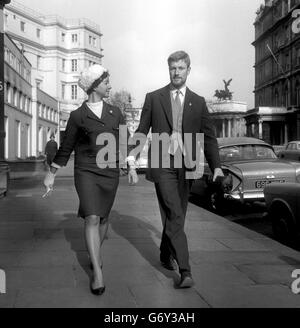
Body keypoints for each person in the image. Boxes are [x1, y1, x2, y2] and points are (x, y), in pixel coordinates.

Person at [128, 51, 224, 288]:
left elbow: (209, 139)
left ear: (188, 70)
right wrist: (131, 157)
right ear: (168, 69)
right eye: (173, 68)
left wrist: (217, 167)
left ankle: (164, 252)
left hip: (187, 164)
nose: (176, 72)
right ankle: (185, 270)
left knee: (176, 215)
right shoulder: (154, 97)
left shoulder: (199, 102)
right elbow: (142, 130)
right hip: (162, 163)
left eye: (181, 68)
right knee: (175, 213)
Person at [43, 64, 138, 296]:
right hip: (85, 171)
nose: (110, 86)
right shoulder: (77, 116)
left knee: (103, 218)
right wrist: (51, 173)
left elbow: (125, 143)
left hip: (109, 172)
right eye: (106, 82)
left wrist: (132, 166)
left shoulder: (116, 112)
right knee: (92, 217)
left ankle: (94, 252)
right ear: (95, 85)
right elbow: (66, 147)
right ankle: (97, 271)